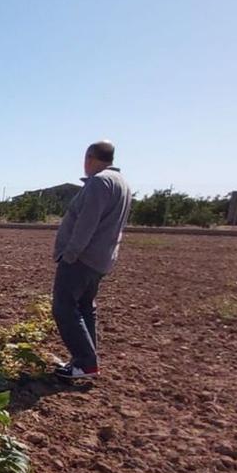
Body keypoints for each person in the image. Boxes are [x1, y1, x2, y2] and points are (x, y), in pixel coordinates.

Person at [51, 140, 132, 381]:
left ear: (89, 157)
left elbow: (86, 223)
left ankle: (85, 361)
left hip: (82, 258)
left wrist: (70, 254)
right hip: (101, 258)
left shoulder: (99, 182)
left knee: (64, 307)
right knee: (85, 307)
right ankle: (86, 361)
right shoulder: (122, 183)